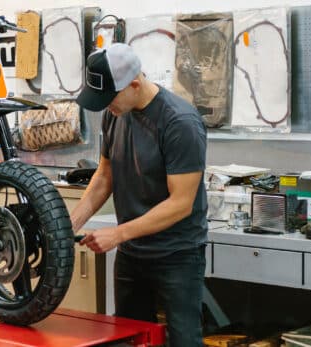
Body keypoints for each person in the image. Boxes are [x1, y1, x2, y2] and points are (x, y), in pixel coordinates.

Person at [70, 43, 208, 346]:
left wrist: (118, 234)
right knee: (129, 338)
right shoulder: (116, 113)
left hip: (176, 255)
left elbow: (181, 204)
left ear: (134, 83)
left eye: (109, 98)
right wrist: (71, 223)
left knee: (184, 340)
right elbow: (104, 176)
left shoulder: (180, 122)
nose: (106, 106)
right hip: (132, 254)